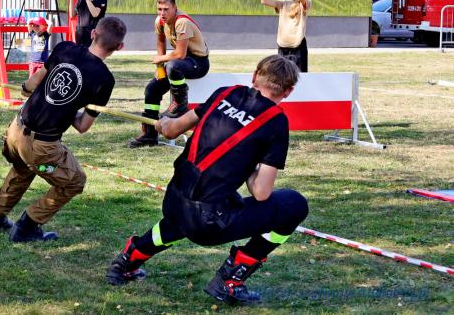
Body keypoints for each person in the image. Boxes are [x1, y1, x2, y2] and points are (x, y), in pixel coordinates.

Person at [106, 56, 308, 307]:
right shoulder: (275, 121)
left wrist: (165, 122)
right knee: (294, 205)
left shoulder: (225, 93)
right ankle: (230, 280)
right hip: (207, 222)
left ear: (255, 76)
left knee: (192, 208)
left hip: (174, 201)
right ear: (288, 91)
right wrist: (250, 160)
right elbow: (261, 192)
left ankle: (129, 259)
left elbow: (171, 130)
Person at [0, 17, 126, 242]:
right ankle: (27, 226)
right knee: (75, 181)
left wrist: (27, 89)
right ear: (119, 47)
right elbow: (83, 125)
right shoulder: (105, 80)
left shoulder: (65, 48)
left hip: (15, 132)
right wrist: (70, 107)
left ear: (93, 34)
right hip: (41, 149)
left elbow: (33, 83)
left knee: (23, 168)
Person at [128, 0, 209, 148]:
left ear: (175, 8)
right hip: (180, 63)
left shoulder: (182, 22)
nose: (162, 13)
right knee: (152, 89)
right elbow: (160, 41)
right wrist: (160, 68)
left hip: (198, 62)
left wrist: (161, 59)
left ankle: (180, 104)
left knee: (172, 65)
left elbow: (180, 54)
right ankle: (149, 134)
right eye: (159, 9)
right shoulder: (159, 21)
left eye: (166, 9)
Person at [261, 0, 311, 72]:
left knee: (299, 77)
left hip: (297, 47)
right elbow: (264, 1)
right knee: (283, 77)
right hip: (283, 46)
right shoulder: (284, 4)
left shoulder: (306, 2)